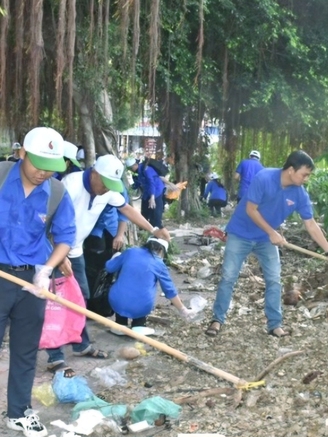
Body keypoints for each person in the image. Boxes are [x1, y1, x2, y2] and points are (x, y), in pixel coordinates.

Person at [46, 154, 170, 372]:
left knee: (81, 296)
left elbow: (127, 210)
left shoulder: (108, 190)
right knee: (55, 300)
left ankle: (80, 344)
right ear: (94, 173)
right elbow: (50, 221)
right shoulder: (71, 185)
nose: (107, 189)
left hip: (74, 251)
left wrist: (153, 229)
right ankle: (54, 355)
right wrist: (58, 255)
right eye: (104, 183)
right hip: (53, 251)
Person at [0, 127, 75, 437]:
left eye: (51, 166)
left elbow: (66, 237)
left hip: (33, 281)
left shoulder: (56, 193)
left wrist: (46, 269)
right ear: (22, 154)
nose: (44, 172)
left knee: (25, 350)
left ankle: (17, 412)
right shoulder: (2, 177)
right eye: (38, 163)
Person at [205, 150, 328, 338]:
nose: (306, 178)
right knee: (229, 277)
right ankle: (217, 319)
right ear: (291, 170)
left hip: (265, 240)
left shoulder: (299, 194)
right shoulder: (264, 178)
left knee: (273, 279)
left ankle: (274, 324)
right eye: (305, 174)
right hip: (240, 233)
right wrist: (272, 232)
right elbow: (250, 209)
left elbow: (311, 224)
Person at [105, 237, 196, 334]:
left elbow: (109, 267)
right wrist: (183, 309)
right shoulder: (159, 264)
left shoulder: (130, 252)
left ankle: (120, 325)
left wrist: (116, 256)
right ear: (161, 250)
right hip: (141, 307)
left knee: (125, 292)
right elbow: (170, 291)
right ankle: (138, 325)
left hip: (117, 301)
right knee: (143, 295)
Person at [126, 157, 166, 228]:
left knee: (155, 214)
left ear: (135, 165)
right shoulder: (136, 173)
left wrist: (152, 197)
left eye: (130, 168)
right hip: (147, 192)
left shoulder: (146, 169)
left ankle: (158, 230)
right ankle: (144, 228)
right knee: (144, 212)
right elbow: (137, 183)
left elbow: (151, 183)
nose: (130, 170)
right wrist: (129, 189)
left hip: (156, 191)